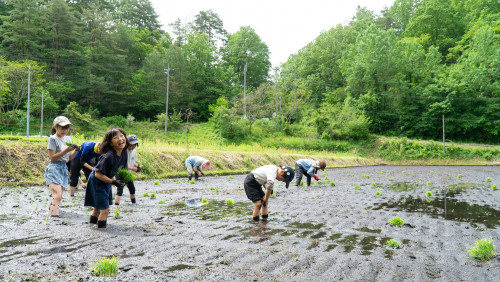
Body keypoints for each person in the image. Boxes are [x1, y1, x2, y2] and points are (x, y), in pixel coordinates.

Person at [84, 128, 129, 228]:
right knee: (105, 209)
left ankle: (91, 227)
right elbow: (97, 174)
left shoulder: (124, 153)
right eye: (116, 137)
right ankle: (101, 230)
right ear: (111, 143)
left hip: (106, 180)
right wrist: (113, 182)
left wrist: (122, 179)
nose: (120, 139)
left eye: (122, 136)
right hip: (97, 181)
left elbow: (123, 168)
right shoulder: (108, 156)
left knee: (97, 208)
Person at [45, 116, 80, 217]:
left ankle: (51, 212)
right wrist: (67, 150)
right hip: (54, 168)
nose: (65, 130)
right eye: (63, 128)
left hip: (63, 168)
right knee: (58, 195)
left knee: (57, 195)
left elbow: (70, 158)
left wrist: (76, 150)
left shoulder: (68, 138)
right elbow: (52, 157)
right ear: (55, 127)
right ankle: (54, 218)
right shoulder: (52, 139)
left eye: (67, 128)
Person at [114, 134, 140, 205]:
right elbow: (121, 165)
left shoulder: (134, 151)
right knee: (120, 190)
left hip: (128, 173)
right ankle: (116, 205)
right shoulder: (123, 151)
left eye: (134, 145)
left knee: (132, 189)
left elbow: (134, 160)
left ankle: (134, 204)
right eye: (131, 145)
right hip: (121, 172)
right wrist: (132, 168)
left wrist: (137, 166)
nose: (133, 147)